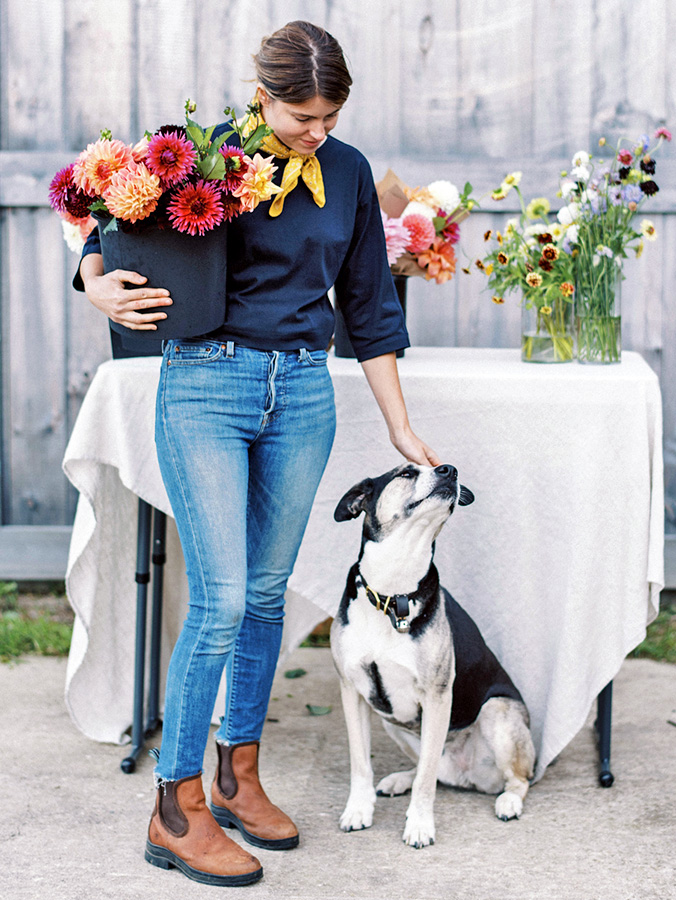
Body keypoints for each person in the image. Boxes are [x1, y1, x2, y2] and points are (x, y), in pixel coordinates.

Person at [77, 20, 440, 888]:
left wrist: (398, 427)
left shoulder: (347, 173)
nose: (318, 131)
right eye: (302, 116)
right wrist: (95, 282)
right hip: (205, 381)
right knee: (224, 599)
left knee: (268, 593)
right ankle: (178, 808)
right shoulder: (196, 154)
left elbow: (369, 309)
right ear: (263, 95)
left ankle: (238, 775)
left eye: (331, 114)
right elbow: (108, 226)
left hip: (303, 392)